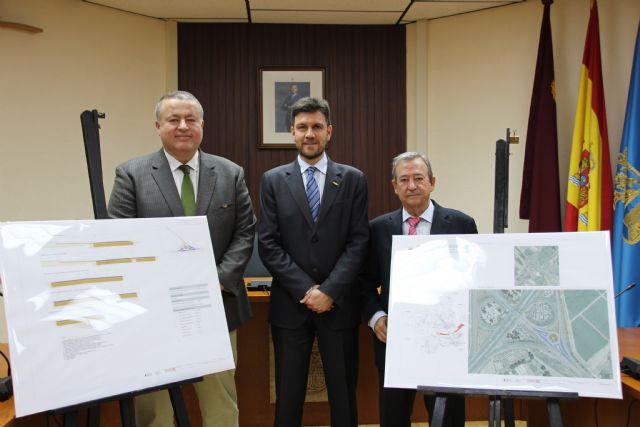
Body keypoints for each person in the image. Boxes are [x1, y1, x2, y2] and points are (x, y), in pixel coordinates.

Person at [108, 90, 255, 427]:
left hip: (216, 305)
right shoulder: (132, 174)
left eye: (191, 119)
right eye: (173, 119)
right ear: (157, 126)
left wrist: (218, 280)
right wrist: (161, 287)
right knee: (155, 409)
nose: (183, 126)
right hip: (154, 310)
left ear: (202, 124)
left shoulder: (230, 173)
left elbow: (245, 232)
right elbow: (119, 238)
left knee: (221, 404)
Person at [258, 97, 369, 427]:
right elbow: (268, 243)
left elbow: (358, 242)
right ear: (292, 132)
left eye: (317, 126)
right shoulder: (273, 180)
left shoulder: (353, 179)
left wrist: (330, 291)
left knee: (344, 397)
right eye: (302, 127)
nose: (310, 133)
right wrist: (308, 290)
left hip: (339, 306)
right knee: (288, 397)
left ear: (329, 131)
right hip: (291, 307)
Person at [360, 152, 477, 427]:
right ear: (394, 186)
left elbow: (474, 281)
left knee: (447, 417)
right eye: (404, 180)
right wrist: (376, 317)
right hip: (395, 341)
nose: (411, 186)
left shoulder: (461, 224)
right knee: (394, 417)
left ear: (432, 182)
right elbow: (363, 282)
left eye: (418, 178)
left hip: (446, 341)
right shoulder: (378, 229)